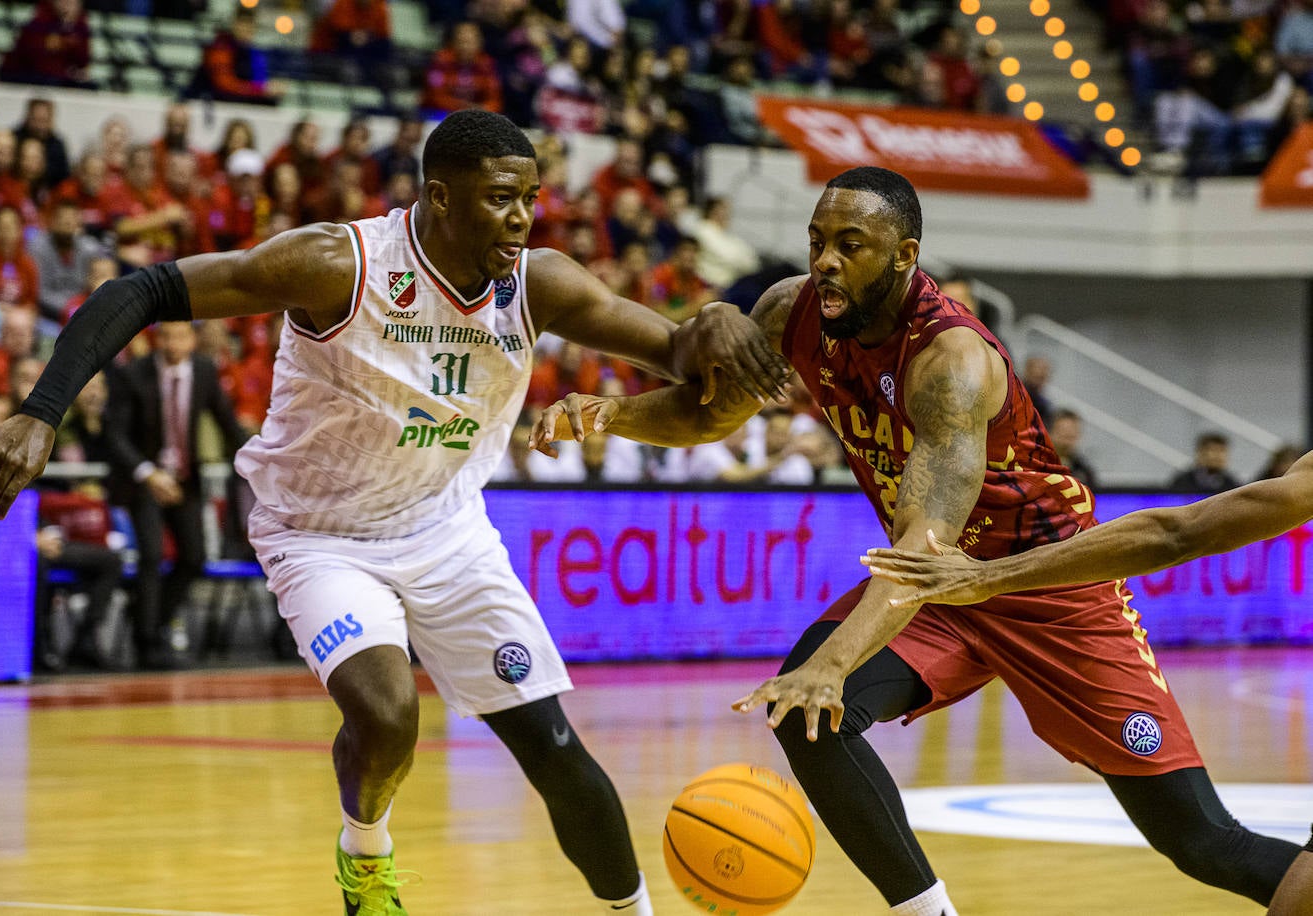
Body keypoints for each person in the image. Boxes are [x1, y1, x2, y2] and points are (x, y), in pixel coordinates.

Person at [0, 109, 788, 916]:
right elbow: (141, 288)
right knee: (390, 715)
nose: (522, 217)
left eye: (531, 197)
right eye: (501, 198)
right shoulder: (339, 264)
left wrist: (710, 322)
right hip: (319, 536)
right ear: (439, 196)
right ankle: (366, 851)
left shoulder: (538, 283)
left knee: (555, 747)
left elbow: (684, 359)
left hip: (447, 530)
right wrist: (42, 411)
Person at [529, 166, 1308, 916]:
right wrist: (610, 413)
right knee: (808, 712)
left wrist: (834, 664)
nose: (827, 262)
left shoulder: (951, 360)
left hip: (1046, 586)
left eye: (852, 246)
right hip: (938, 587)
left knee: (1200, 842)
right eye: (817, 241)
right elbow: (710, 415)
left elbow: (926, 543)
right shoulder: (791, 312)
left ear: (904, 257)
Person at [861, 455, 1313, 916]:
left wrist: (988, 577)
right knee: (1207, 846)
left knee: (1206, 842)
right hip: (989, 593)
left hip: (1048, 608)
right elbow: (1183, 528)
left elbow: (1179, 532)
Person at [104, 320, 246, 669]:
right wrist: (148, 473)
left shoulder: (203, 370)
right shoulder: (132, 374)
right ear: (157, 338)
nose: (173, 342)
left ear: (193, 339)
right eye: (166, 335)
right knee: (152, 556)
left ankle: (151, 619)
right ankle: (147, 644)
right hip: (144, 480)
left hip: (185, 480)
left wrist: (256, 457)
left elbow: (227, 423)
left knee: (194, 558)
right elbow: (115, 436)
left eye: (181, 335)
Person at [1169, 430, 1242, 493]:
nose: (1219, 456)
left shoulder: (1232, 484)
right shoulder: (1182, 482)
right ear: (1200, 453)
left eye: (1222, 451)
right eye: (1214, 450)